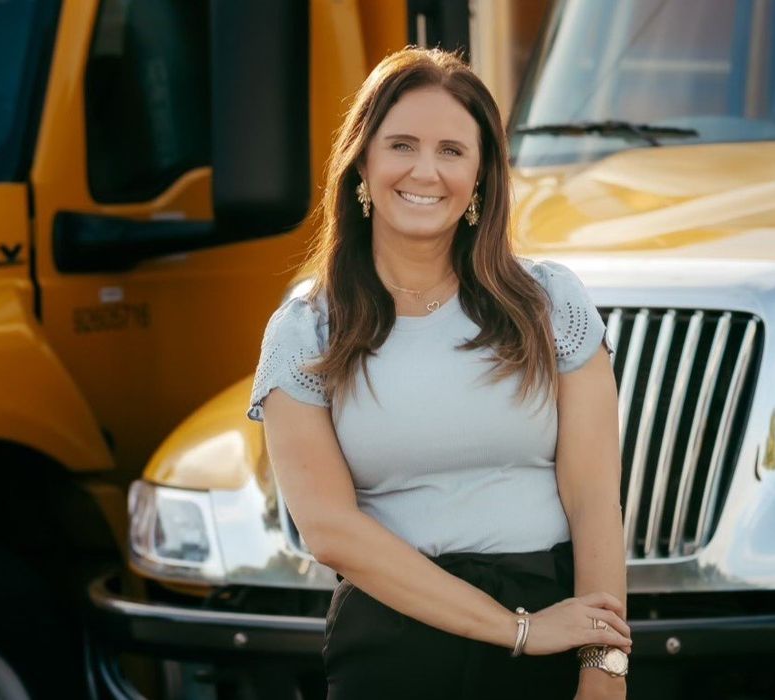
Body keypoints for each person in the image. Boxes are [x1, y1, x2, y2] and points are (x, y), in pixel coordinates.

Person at [246, 47, 630, 699]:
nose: (425, 170)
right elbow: (330, 531)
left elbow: (595, 500)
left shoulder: (551, 303)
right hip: (396, 646)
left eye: (452, 151)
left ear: (480, 179)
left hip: (555, 625)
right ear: (361, 164)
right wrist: (515, 630)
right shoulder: (305, 330)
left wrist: (604, 670)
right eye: (401, 145)